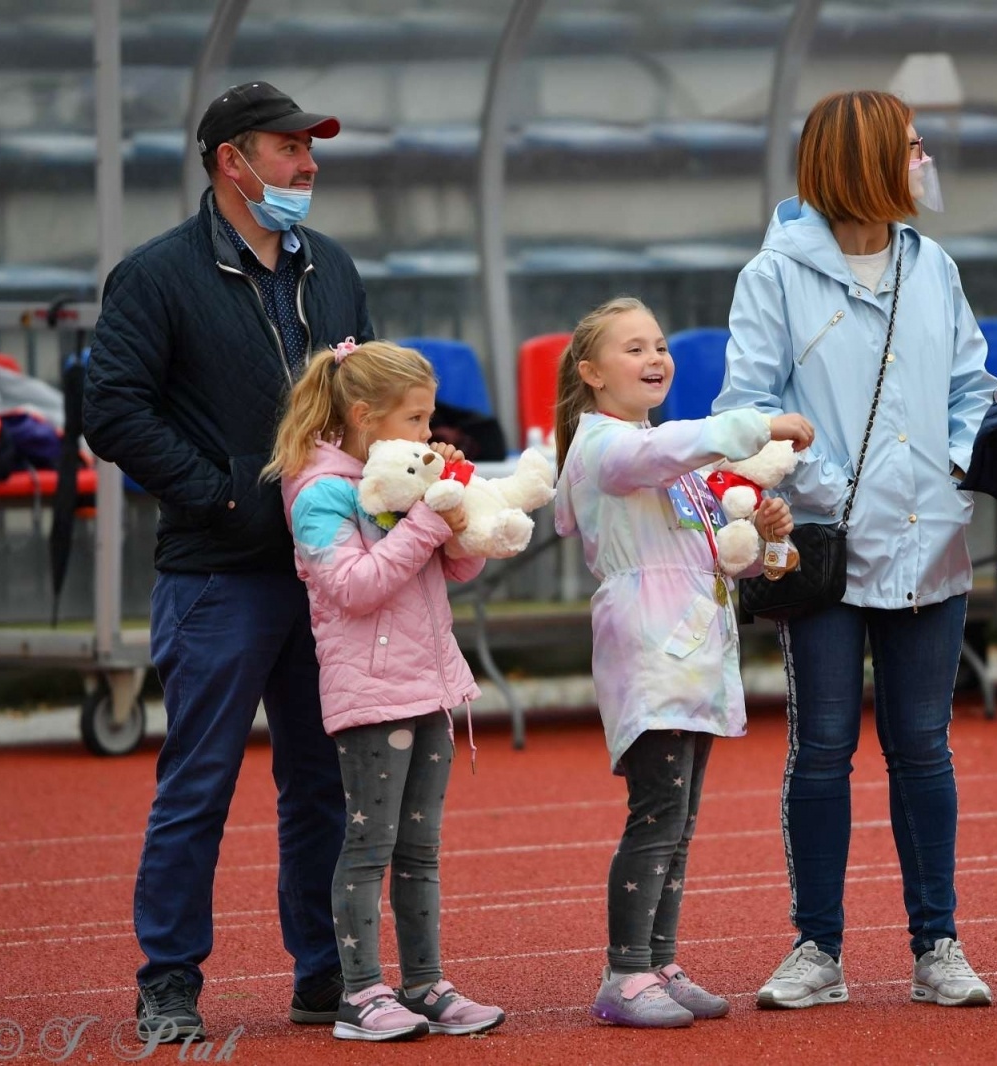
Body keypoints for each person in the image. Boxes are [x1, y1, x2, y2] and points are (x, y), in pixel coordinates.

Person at [84, 81, 373, 1041]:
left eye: (310, 147)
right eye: (289, 148)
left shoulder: (329, 267)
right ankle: (168, 982)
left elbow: (364, 395)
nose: (309, 164)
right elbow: (113, 410)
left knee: (321, 784)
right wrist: (224, 491)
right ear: (231, 161)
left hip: (323, 572)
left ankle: (325, 974)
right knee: (198, 784)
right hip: (217, 573)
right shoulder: (156, 274)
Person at [713, 89, 997, 1010]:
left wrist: (956, 470)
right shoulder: (775, 275)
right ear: (862, 160)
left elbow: (974, 386)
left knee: (924, 747)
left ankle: (938, 945)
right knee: (822, 748)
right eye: (910, 148)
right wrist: (831, 488)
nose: (924, 164)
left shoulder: (934, 266)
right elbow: (744, 410)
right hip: (823, 552)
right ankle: (818, 946)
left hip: (932, 549)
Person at [553, 296, 815, 1028]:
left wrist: (764, 538)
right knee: (656, 815)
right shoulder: (605, 446)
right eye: (633, 348)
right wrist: (756, 426)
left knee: (680, 819)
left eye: (659, 345)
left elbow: (720, 557)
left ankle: (658, 961)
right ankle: (625, 974)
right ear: (591, 372)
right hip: (651, 650)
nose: (655, 358)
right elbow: (660, 455)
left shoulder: (668, 451)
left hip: (695, 652)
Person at [265, 338, 506, 1042]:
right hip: (371, 694)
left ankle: (425, 983)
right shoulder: (319, 491)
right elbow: (354, 588)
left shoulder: (401, 476)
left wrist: (462, 532)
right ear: (366, 416)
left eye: (430, 420)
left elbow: (454, 576)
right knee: (369, 847)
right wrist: (428, 522)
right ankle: (361, 993)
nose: (429, 437)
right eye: (416, 420)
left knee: (422, 848)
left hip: (429, 684)